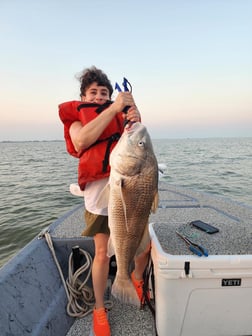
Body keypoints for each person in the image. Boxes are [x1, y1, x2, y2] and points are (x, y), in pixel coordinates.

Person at [59, 66, 150, 336]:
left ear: (111, 94)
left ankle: (134, 277)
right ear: (84, 97)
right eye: (93, 93)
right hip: (100, 197)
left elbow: (138, 141)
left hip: (129, 191)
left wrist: (134, 115)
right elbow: (81, 141)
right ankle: (99, 308)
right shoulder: (77, 121)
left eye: (104, 92)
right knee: (101, 253)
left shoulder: (120, 117)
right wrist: (113, 109)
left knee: (143, 248)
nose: (99, 97)